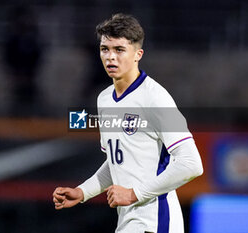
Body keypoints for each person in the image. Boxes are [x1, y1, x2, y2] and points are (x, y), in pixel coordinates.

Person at [53, 13, 203, 233]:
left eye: (119, 50)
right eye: (105, 49)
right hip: (128, 222)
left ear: (137, 54)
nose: (110, 57)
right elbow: (117, 162)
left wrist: (134, 194)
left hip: (156, 222)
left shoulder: (155, 98)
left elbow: (191, 164)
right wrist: (83, 192)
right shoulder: (104, 99)